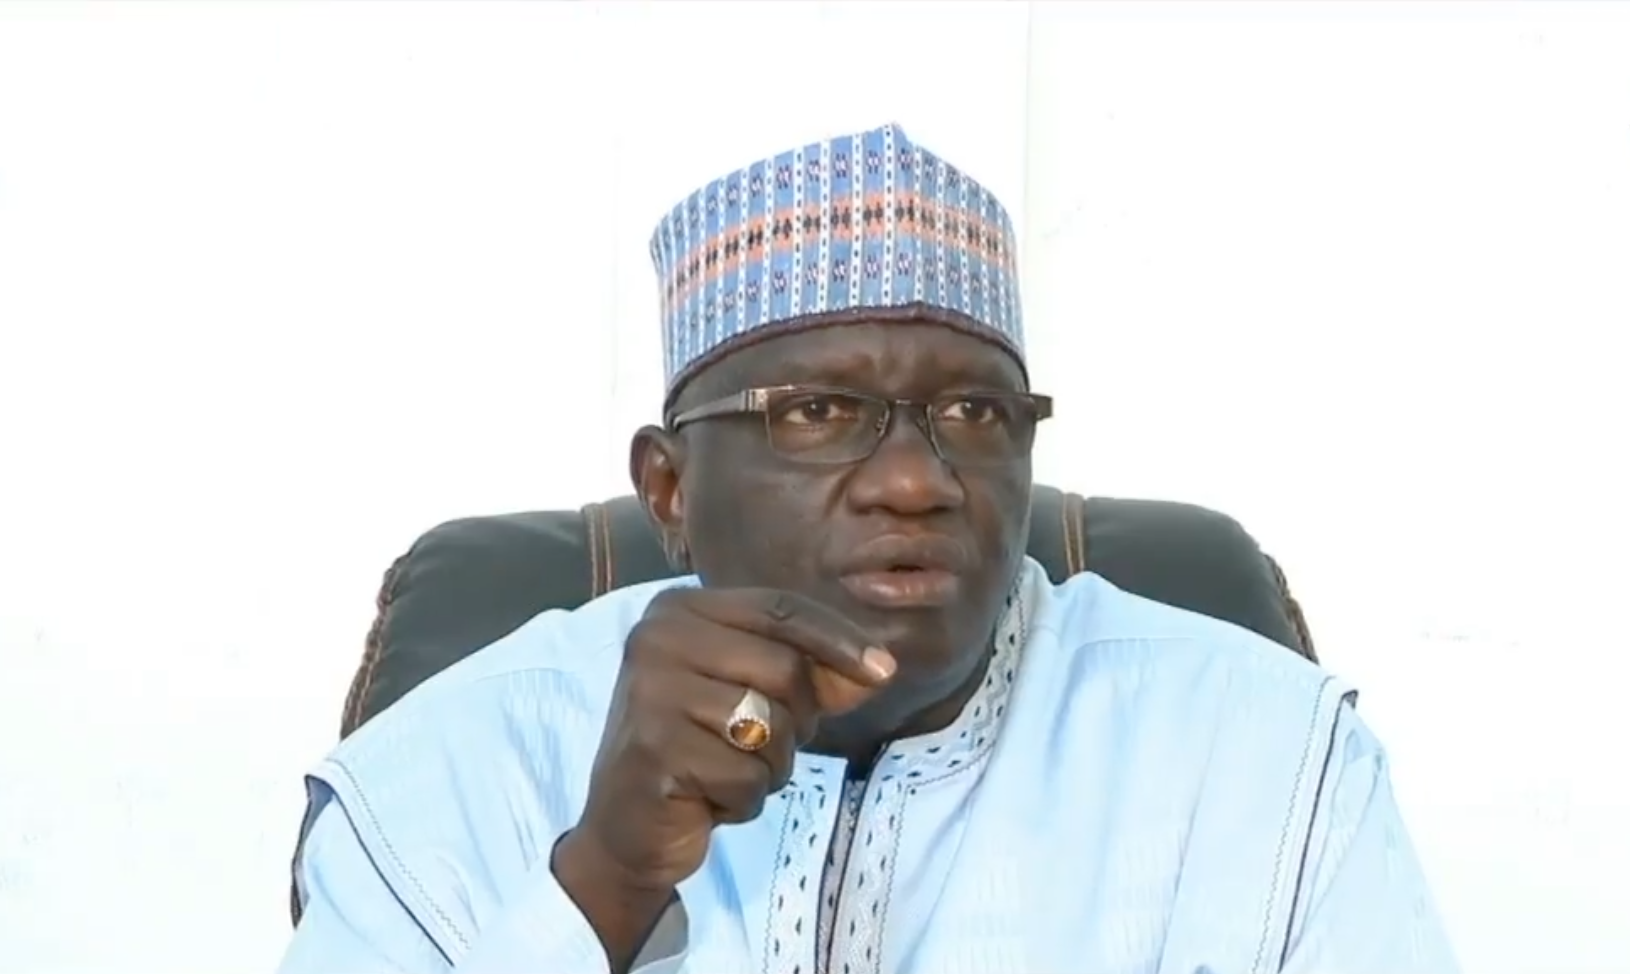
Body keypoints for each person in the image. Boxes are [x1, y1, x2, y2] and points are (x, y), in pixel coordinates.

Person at [278, 122, 1457, 974]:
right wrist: (603, 885)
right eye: (817, 410)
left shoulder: (1266, 757)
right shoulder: (447, 773)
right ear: (669, 486)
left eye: (975, 411)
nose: (914, 479)